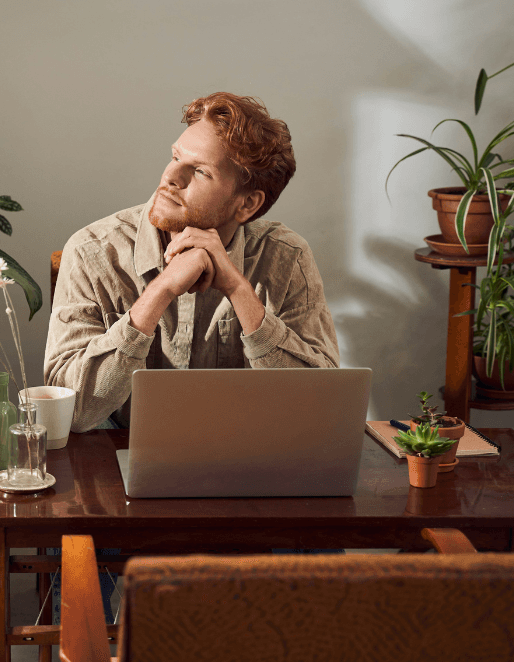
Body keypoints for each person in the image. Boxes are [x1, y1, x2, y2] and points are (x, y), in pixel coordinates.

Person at [44, 92, 339, 432]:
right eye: (175, 157)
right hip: (115, 458)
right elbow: (71, 414)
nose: (170, 177)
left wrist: (238, 289)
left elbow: (320, 408)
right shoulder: (91, 251)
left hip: (246, 461)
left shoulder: (287, 257)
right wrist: (161, 290)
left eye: (199, 171)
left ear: (246, 205)